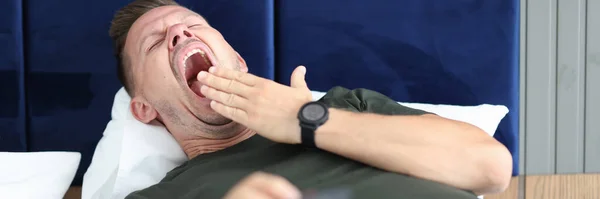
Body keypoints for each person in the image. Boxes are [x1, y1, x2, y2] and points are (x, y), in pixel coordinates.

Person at [109, 0, 513, 198]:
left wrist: (306, 120)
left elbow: (491, 166)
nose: (180, 36)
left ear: (238, 61)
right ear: (144, 110)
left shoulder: (347, 106)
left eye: (193, 26)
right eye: (155, 43)